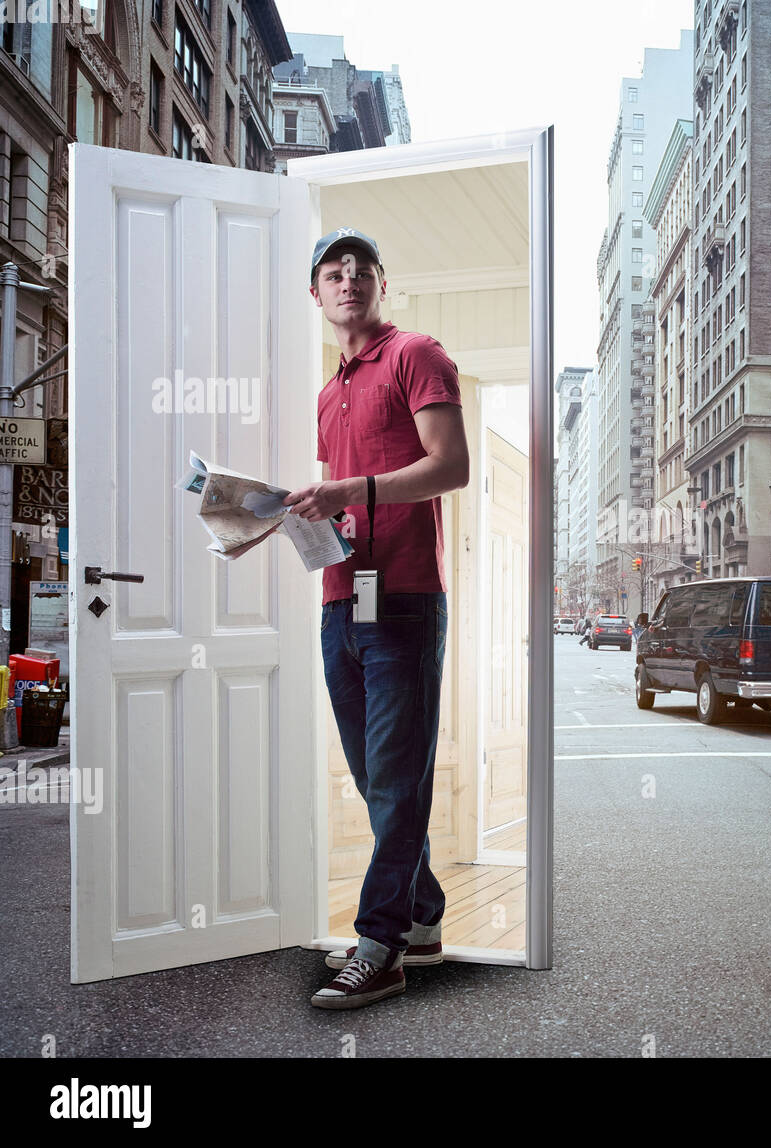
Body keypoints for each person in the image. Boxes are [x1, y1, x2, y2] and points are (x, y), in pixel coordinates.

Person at [284, 227, 470, 1010]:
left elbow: (450, 465)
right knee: (376, 779)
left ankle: (380, 944)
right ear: (318, 293)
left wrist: (349, 490)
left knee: (394, 778)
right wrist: (283, 517)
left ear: (380, 286)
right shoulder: (330, 392)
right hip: (338, 598)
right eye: (334, 271)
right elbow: (340, 500)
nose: (349, 279)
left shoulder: (416, 354)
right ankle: (424, 919)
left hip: (402, 600)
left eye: (362, 269)